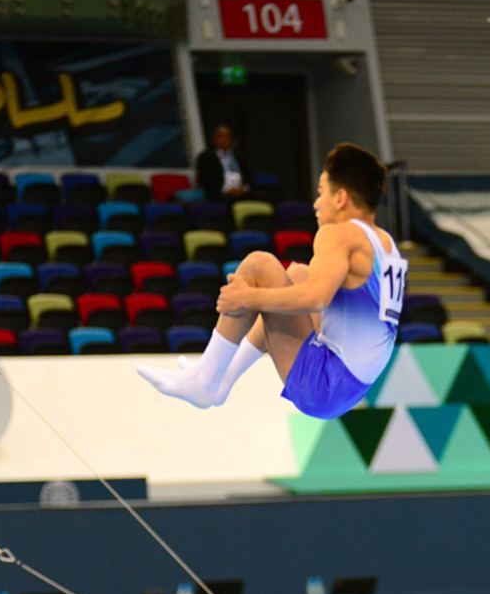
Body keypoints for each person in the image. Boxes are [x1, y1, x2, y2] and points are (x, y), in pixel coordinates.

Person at [137, 143, 407, 419]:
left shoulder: (339, 234)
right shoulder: (384, 243)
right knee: (298, 274)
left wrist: (247, 298)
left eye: (320, 193)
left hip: (325, 384)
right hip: (352, 387)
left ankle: (205, 380)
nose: (315, 203)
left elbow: (316, 299)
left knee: (259, 265)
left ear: (340, 198)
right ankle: (223, 380)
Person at [196, 124, 250, 201]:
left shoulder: (239, 155)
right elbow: (205, 179)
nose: (224, 139)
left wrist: (244, 188)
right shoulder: (206, 157)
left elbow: (249, 175)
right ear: (214, 139)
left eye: (227, 136)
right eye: (220, 136)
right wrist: (226, 190)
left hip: (241, 191)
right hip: (220, 193)